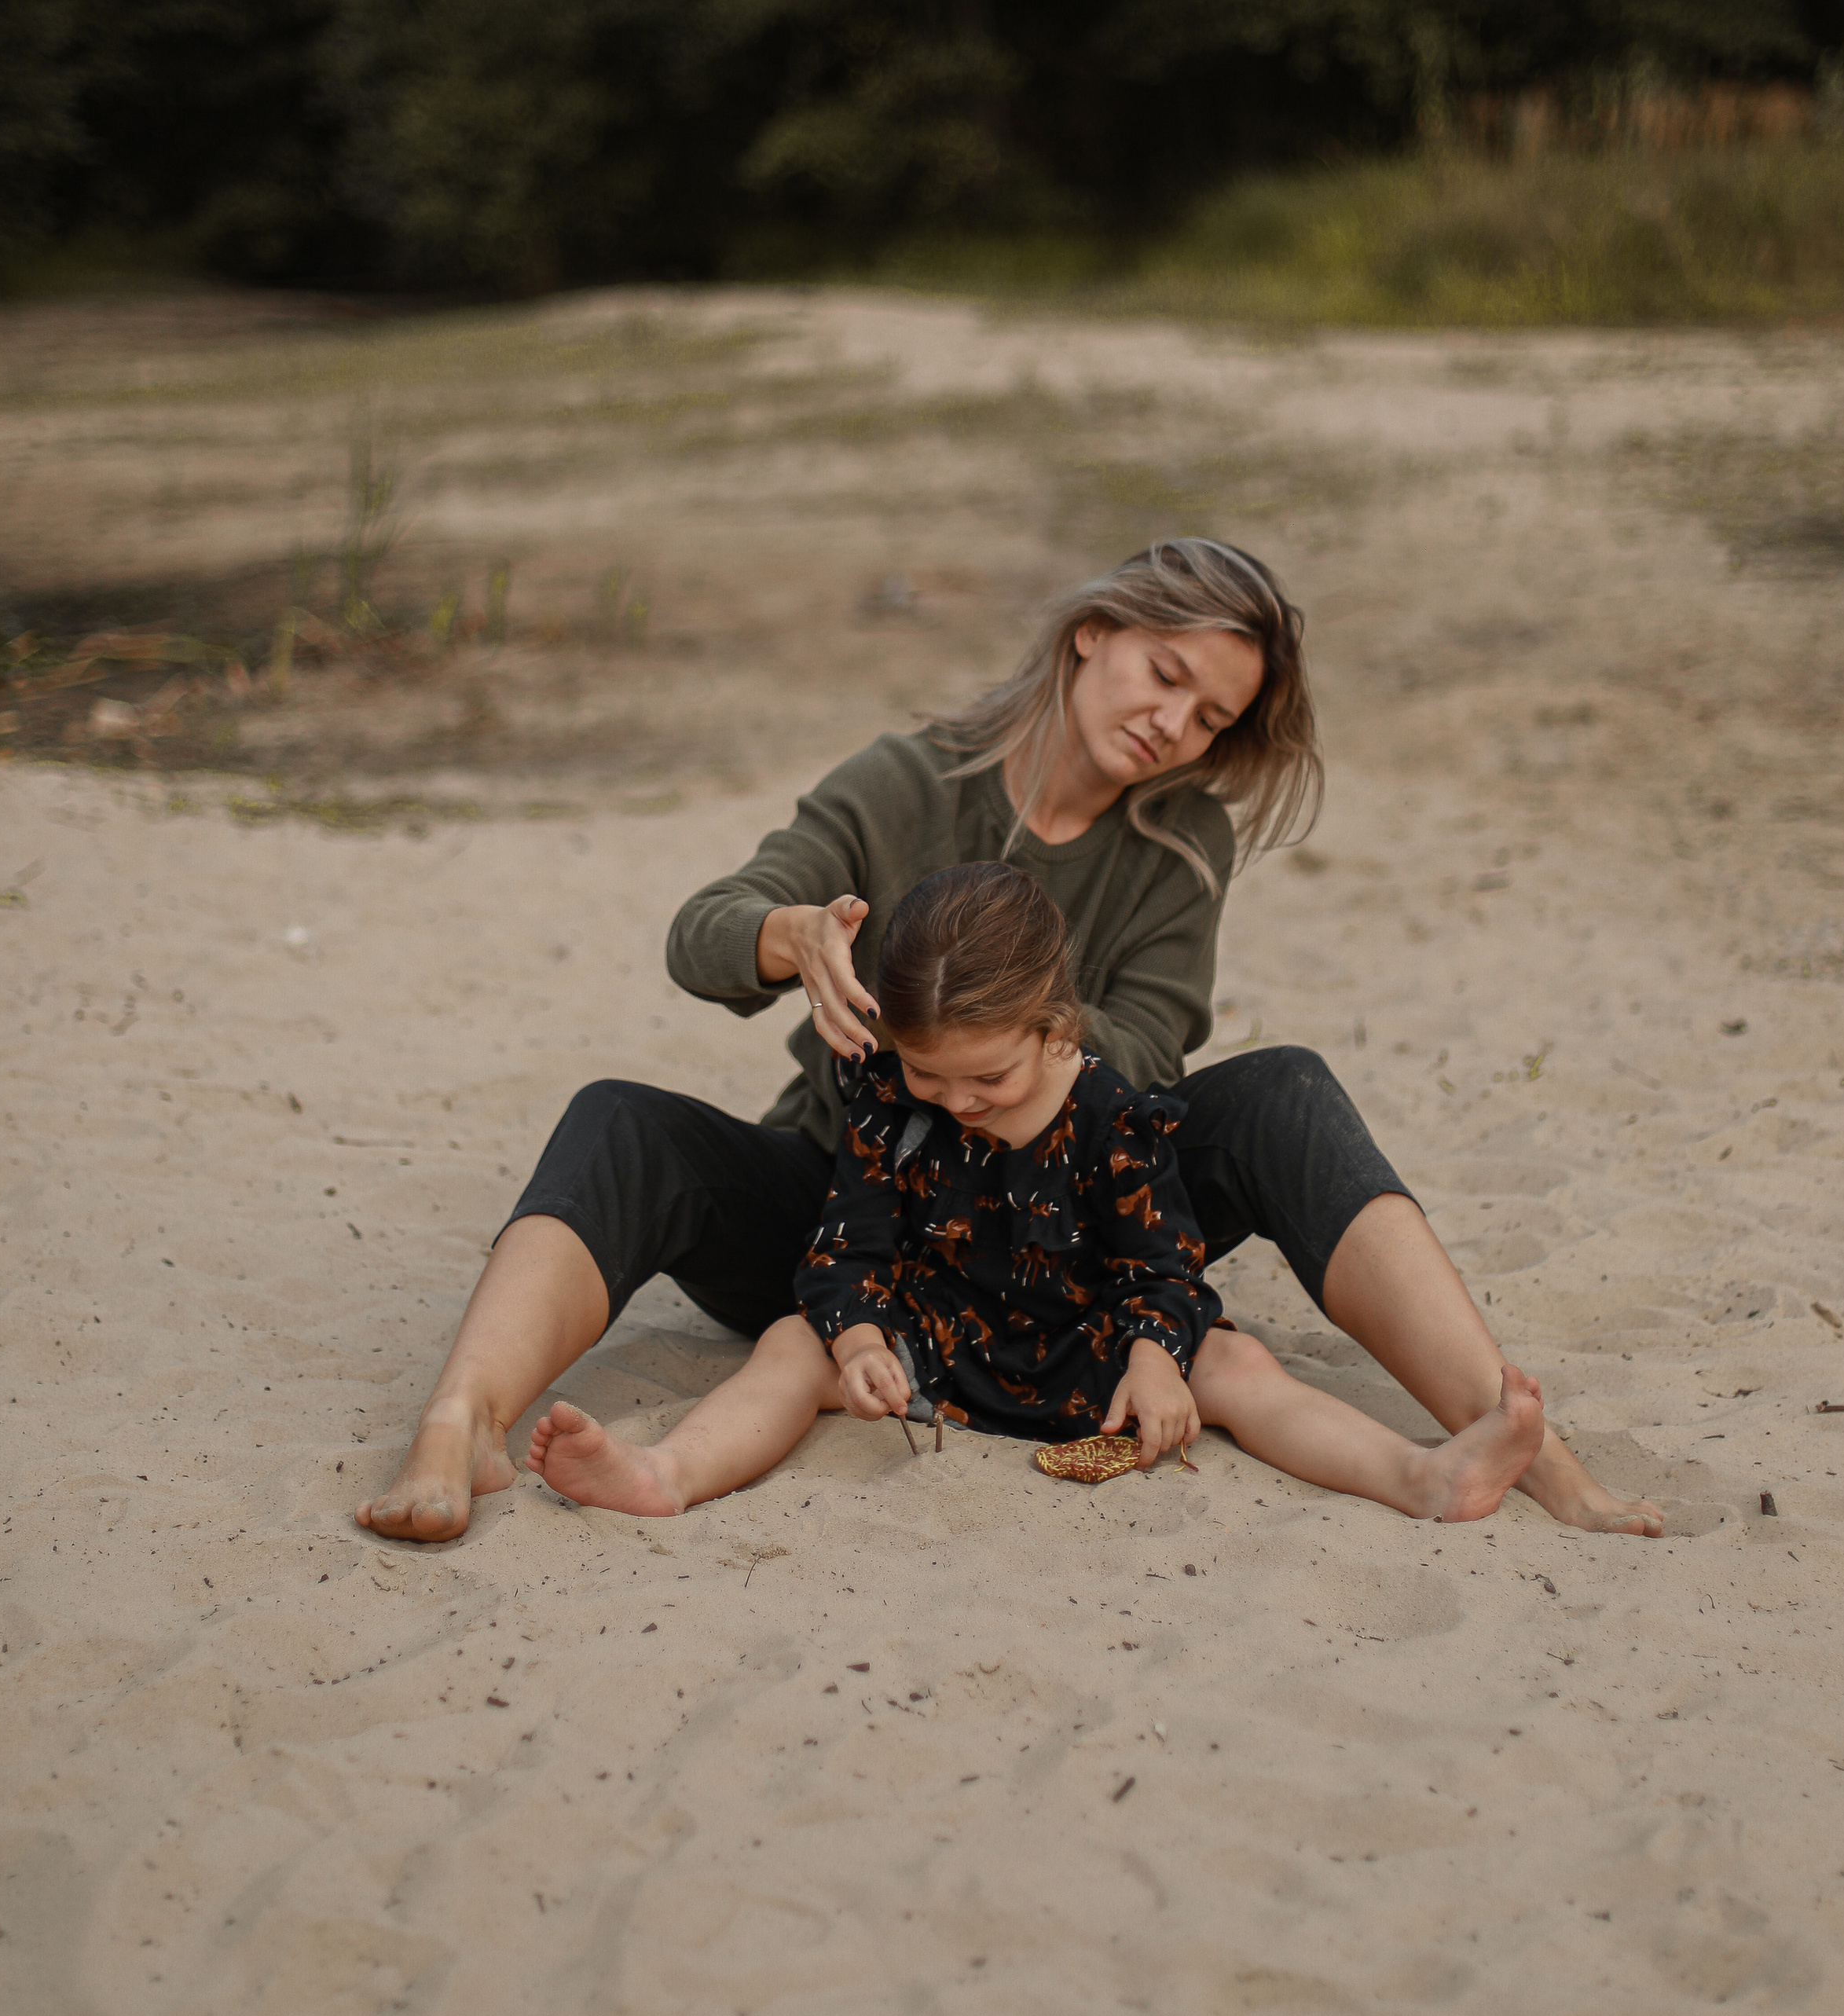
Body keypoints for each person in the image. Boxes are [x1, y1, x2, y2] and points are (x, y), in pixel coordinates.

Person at [359, 535, 1660, 1541]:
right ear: (1094, 635)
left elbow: (1148, 1047)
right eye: (1166, 675)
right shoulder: (907, 781)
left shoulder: (1182, 843)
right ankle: (461, 1423)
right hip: (853, 1210)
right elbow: (703, 932)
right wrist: (795, 936)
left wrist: (1001, 1043)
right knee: (618, 1119)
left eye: (1210, 717)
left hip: (1073, 1226)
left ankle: (1523, 1449)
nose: (1175, 724)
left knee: (1286, 1093)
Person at [523, 864, 1548, 1522]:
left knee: (1237, 1364)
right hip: (936, 1340)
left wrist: (1155, 1360)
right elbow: (849, 1246)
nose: (958, 1102)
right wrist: (863, 1340)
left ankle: (1422, 1476)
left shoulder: (1113, 1118)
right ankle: (664, 1476)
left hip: (1089, 1347)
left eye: (989, 1078)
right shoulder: (889, 1100)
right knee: (795, 1343)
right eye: (930, 1075)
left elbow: (1166, 1269)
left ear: (1056, 1030)